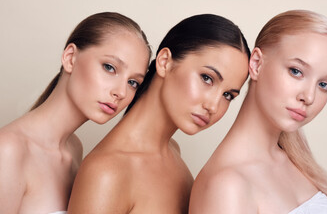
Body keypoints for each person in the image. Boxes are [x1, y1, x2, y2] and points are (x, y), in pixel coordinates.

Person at [67, 14, 250, 214]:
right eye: (207, 78)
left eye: (228, 95)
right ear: (164, 62)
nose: (213, 106)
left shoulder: (173, 152)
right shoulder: (106, 172)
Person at [189, 10, 327, 214]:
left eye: (324, 84)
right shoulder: (227, 187)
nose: (309, 97)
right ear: (256, 64)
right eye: (296, 71)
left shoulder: (298, 162)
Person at [0, 12, 151, 214]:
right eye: (109, 67)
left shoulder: (74, 148)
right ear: (70, 58)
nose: (121, 92)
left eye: (133, 82)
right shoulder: (9, 151)